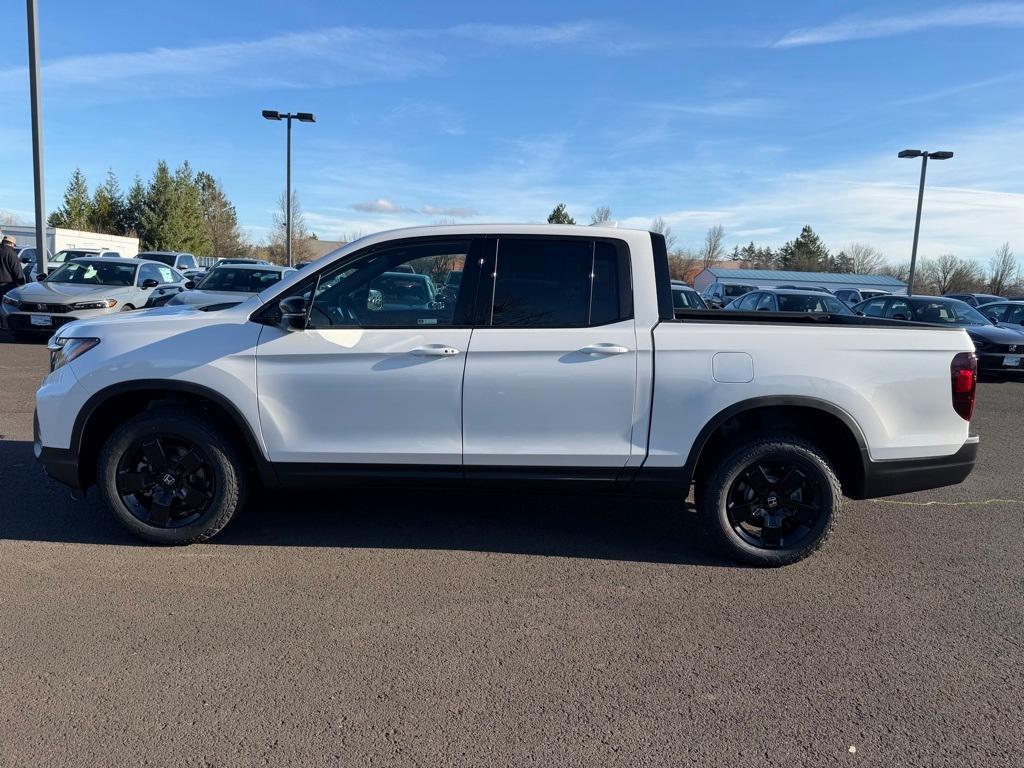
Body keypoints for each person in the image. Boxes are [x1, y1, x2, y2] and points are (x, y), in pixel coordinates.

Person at [0, 232, 27, 298]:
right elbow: (17, 271)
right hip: (6, 286)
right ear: (12, 244)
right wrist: (22, 285)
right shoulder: (11, 253)